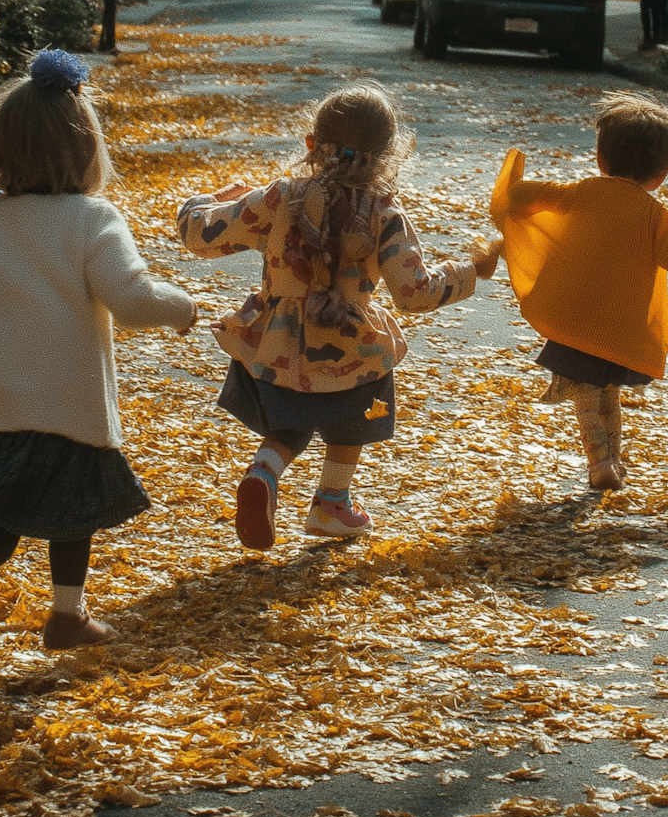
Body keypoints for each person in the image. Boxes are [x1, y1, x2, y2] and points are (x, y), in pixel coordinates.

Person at [0, 50, 198, 672]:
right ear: (86, 150)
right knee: (74, 510)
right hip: (72, 401)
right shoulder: (93, 218)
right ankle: (66, 612)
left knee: (4, 516)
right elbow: (132, 298)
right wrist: (185, 308)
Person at [178, 83, 497, 549]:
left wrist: (205, 201)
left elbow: (201, 236)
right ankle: (332, 501)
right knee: (353, 409)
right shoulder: (384, 213)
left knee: (288, 419)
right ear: (388, 157)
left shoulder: (278, 197)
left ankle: (264, 472)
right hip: (351, 345)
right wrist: (472, 270)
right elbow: (414, 293)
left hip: (277, 343)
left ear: (311, 145)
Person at [487, 91, 668, 491]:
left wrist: (513, 180)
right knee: (608, 391)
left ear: (601, 158)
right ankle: (612, 458)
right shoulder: (655, 215)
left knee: (584, 390)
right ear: (662, 174)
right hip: (619, 326)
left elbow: (526, 197)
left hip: (574, 312)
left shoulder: (581, 191)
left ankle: (599, 461)